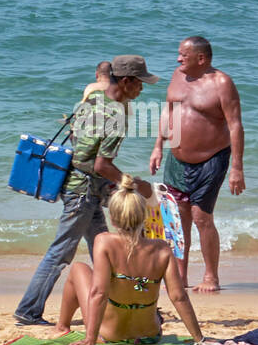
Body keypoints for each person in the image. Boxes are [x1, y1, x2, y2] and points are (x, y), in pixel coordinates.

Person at [14, 55, 158, 326]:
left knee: (102, 246)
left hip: (79, 185)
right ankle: (28, 310)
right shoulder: (116, 114)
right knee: (61, 252)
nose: (142, 90)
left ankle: (121, 300)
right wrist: (133, 184)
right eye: (140, 84)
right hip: (82, 193)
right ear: (126, 81)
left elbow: (81, 152)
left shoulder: (90, 101)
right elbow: (102, 164)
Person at [55, 175, 206, 345]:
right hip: (150, 336)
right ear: (144, 217)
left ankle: (62, 327)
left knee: (78, 268)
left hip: (109, 335)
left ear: (112, 217)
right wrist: (200, 340)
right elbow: (179, 297)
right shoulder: (162, 249)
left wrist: (90, 338)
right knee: (140, 284)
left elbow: (99, 293)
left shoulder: (104, 241)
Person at [149, 35, 245, 294]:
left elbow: (235, 125)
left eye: (184, 55)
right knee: (177, 218)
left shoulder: (222, 83)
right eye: (179, 54)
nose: (178, 58)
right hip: (176, 158)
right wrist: (158, 145)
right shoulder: (178, 75)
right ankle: (180, 276)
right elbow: (168, 111)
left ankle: (211, 277)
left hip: (211, 158)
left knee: (202, 217)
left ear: (201, 58)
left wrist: (237, 167)